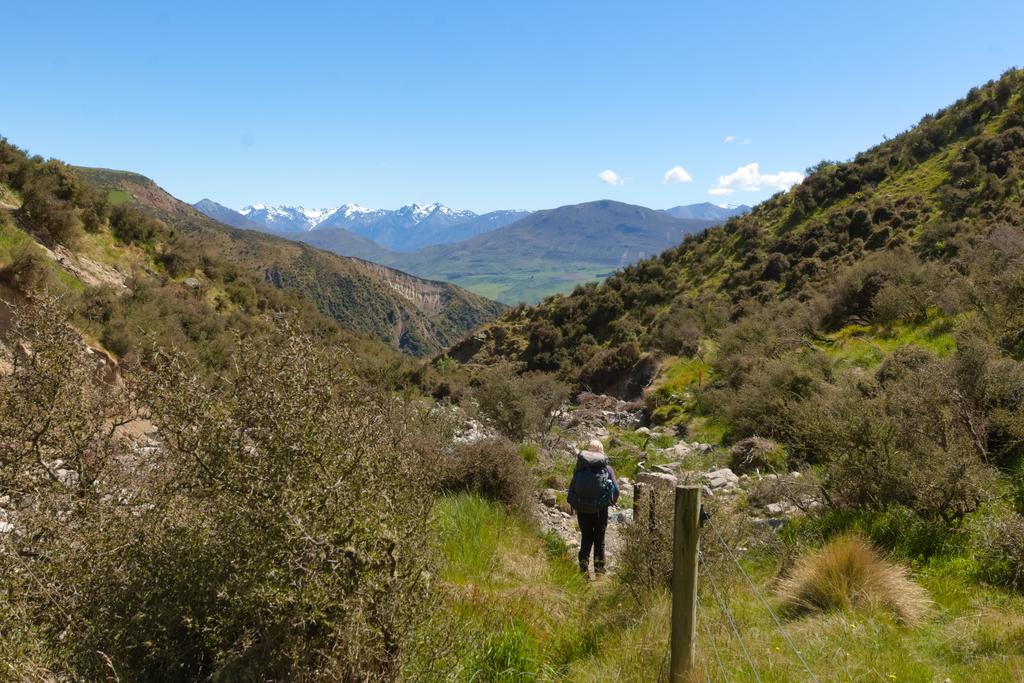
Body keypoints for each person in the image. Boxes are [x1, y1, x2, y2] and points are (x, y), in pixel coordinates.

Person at [567, 439, 618, 576]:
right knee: (599, 540)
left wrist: (574, 504)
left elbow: (573, 487)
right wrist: (612, 501)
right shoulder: (607, 469)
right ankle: (600, 573)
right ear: (602, 452)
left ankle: (583, 572)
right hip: (600, 509)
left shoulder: (580, 467)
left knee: (586, 537)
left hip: (582, 508)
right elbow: (616, 490)